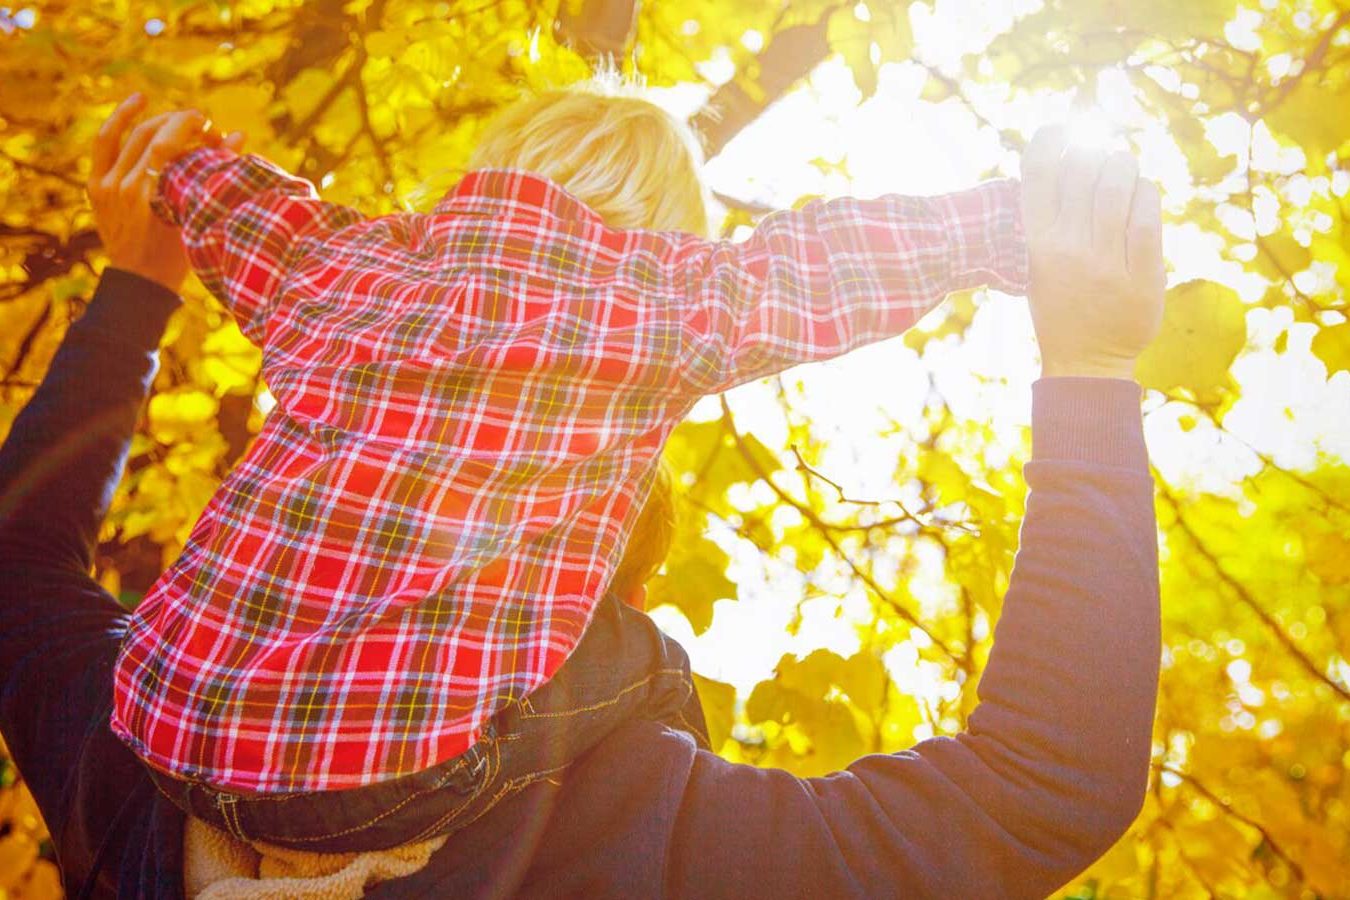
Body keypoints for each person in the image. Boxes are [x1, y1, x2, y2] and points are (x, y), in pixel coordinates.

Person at [0, 97, 1164, 898]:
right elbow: (1040, 790)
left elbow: (16, 566)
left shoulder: (122, 782)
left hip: (176, 731)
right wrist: (1073, 328)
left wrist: (142, 276)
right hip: (442, 777)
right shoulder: (630, 840)